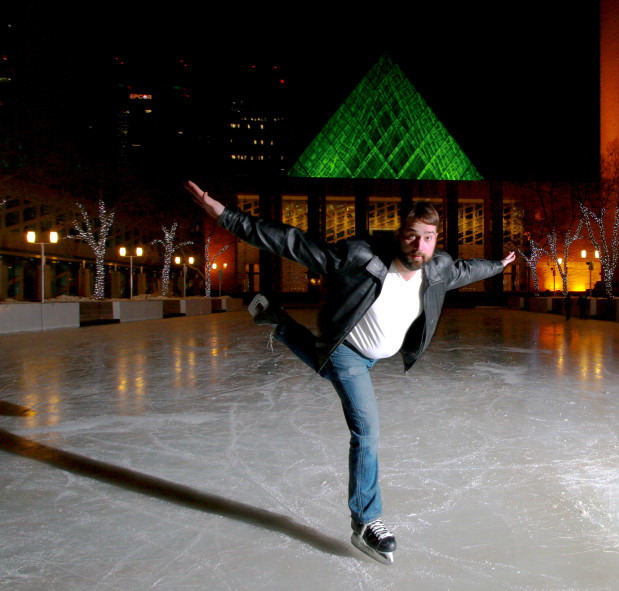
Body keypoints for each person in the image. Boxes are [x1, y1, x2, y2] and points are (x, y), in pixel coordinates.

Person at [185, 181, 515, 563]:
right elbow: (291, 242)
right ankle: (366, 521)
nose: (419, 246)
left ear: (436, 239)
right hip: (348, 351)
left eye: (428, 238)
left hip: (372, 357)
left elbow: (465, 269)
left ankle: (275, 319)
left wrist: (497, 265)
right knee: (367, 429)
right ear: (399, 235)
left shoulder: (437, 267)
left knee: (325, 369)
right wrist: (224, 215)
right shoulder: (359, 256)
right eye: (412, 236)